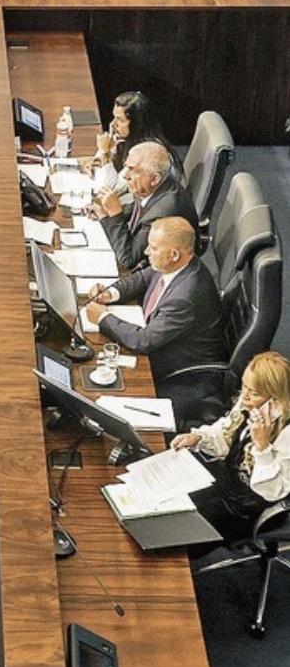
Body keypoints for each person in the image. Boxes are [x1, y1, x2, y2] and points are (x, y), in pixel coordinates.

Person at [85, 217, 228, 425]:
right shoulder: (177, 265)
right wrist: (111, 294)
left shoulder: (185, 296)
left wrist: (103, 318)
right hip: (164, 345)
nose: (146, 252)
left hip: (181, 372)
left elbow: (144, 341)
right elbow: (143, 278)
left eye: (152, 248)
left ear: (174, 254)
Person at [171, 352, 290, 540]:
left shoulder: (286, 435)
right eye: (244, 386)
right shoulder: (251, 405)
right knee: (170, 505)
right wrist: (199, 438)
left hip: (246, 509)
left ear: (276, 400)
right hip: (225, 483)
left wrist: (262, 447)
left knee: (177, 532)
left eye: (254, 393)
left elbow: (273, 492)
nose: (245, 397)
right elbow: (226, 432)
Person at [88, 141, 198, 271]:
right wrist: (105, 213)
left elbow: (128, 259)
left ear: (155, 179)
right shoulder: (156, 186)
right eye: (126, 167)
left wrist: (114, 215)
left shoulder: (164, 211)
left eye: (132, 170)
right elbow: (137, 208)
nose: (125, 175)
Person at [92, 90, 181, 181]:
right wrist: (106, 152)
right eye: (114, 117)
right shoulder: (125, 141)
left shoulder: (146, 153)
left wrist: (105, 152)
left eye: (120, 120)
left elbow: (109, 189)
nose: (113, 124)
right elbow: (95, 168)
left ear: (137, 124)